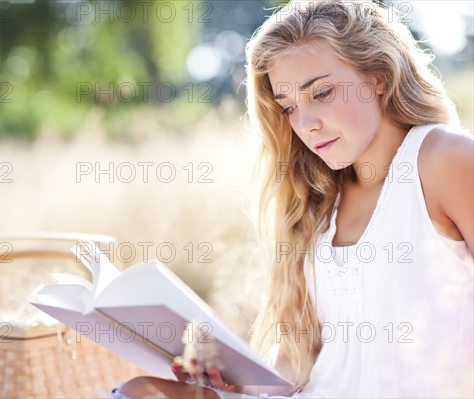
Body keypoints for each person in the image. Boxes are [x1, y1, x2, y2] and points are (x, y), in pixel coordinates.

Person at [114, 0, 474, 397]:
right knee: (141, 390)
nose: (305, 123)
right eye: (289, 107)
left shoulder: (444, 158)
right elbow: (296, 364)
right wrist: (232, 380)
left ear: (378, 77)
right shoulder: (318, 203)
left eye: (320, 93)